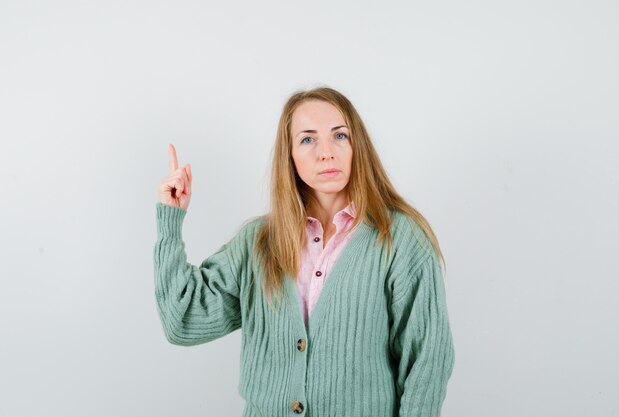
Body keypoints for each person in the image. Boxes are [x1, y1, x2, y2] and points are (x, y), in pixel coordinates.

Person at [154, 86, 455, 417]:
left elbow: (427, 363)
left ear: (358, 147)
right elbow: (181, 320)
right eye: (308, 139)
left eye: (340, 136)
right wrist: (171, 217)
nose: (326, 152)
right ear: (290, 155)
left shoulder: (400, 239)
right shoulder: (259, 242)